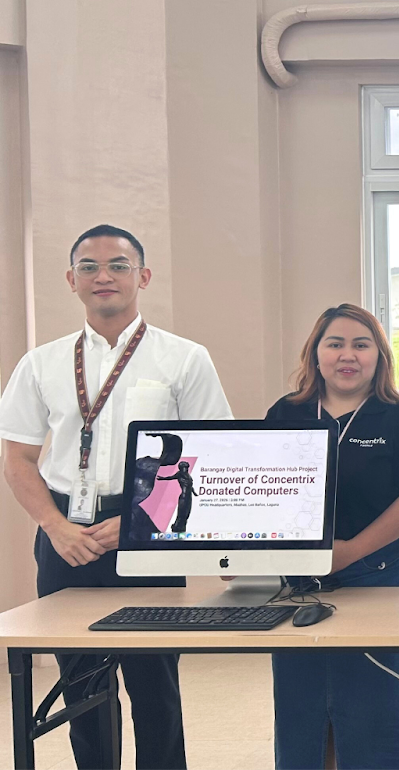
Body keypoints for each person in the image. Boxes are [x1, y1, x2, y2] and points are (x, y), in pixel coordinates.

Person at [0, 224, 232, 770]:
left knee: (154, 685)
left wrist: (135, 521)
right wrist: (55, 528)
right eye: (89, 267)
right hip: (66, 534)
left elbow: (210, 451)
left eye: (119, 265)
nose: (103, 276)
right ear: (71, 280)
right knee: (82, 689)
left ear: (142, 276)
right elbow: (18, 460)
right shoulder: (42, 363)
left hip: (148, 531)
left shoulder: (184, 358)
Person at [264, 304, 399, 770]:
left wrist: (349, 552)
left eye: (361, 345)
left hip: (377, 571)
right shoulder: (286, 412)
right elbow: (261, 488)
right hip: (299, 582)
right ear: (315, 353)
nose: (348, 355)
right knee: (305, 704)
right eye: (334, 343)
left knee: (375, 700)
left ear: (379, 356)